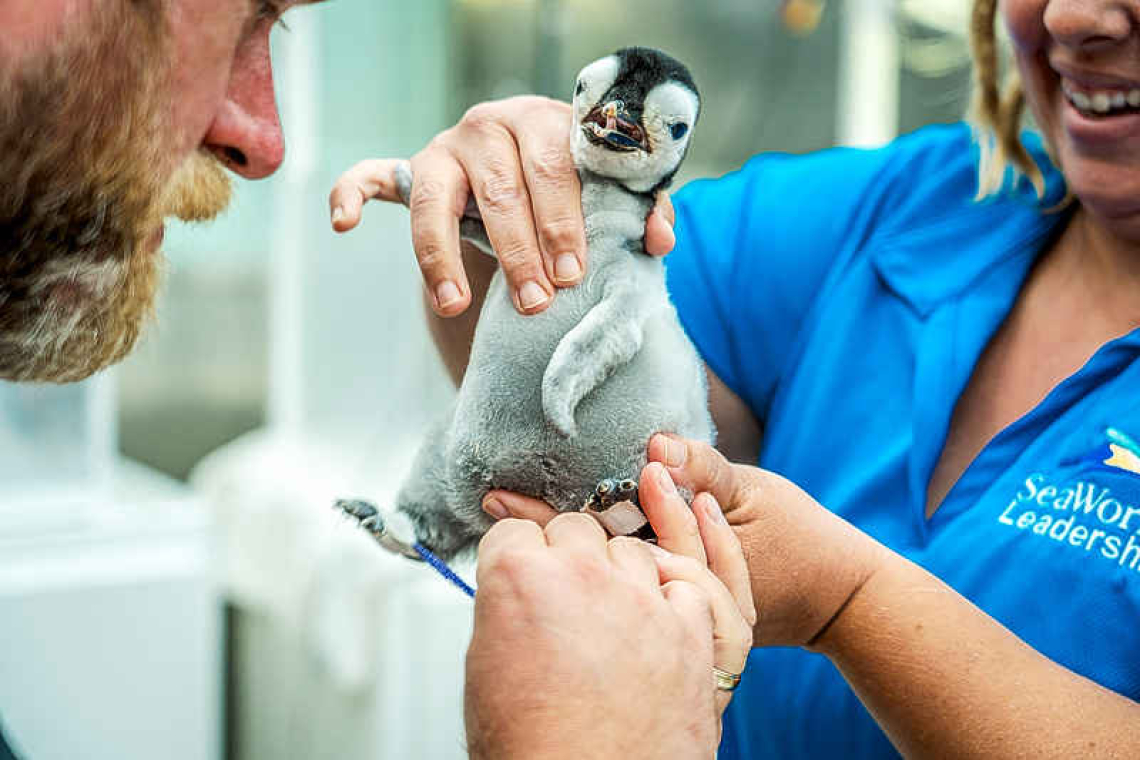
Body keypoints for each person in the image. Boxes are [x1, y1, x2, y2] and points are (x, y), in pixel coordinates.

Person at [332, 0, 1140, 756]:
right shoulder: (923, 205)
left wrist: (847, 602)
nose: (1070, 13)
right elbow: (567, 374)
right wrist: (516, 213)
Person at [0, 1, 751, 758]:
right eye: (235, 18)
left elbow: (687, 427)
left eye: (274, 31)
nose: (265, 140)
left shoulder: (670, 239)